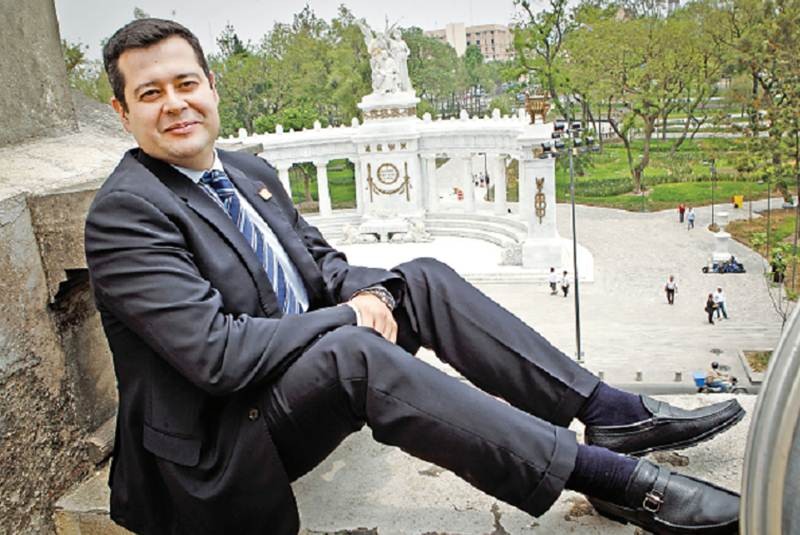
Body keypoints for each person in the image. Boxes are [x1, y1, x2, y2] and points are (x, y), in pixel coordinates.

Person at [85, 19, 744, 535]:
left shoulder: (246, 171)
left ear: (211, 86)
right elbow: (217, 356)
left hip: (289, 383)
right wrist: (349, 314)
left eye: (185, 83)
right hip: (222, 442)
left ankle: (608, 412)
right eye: (150, 93)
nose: (175, 104)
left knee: (419, 279)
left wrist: (372, 292)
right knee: (355, 350)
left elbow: (322, 268)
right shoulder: (127, 212)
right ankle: (612, 479)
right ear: (123, 112)